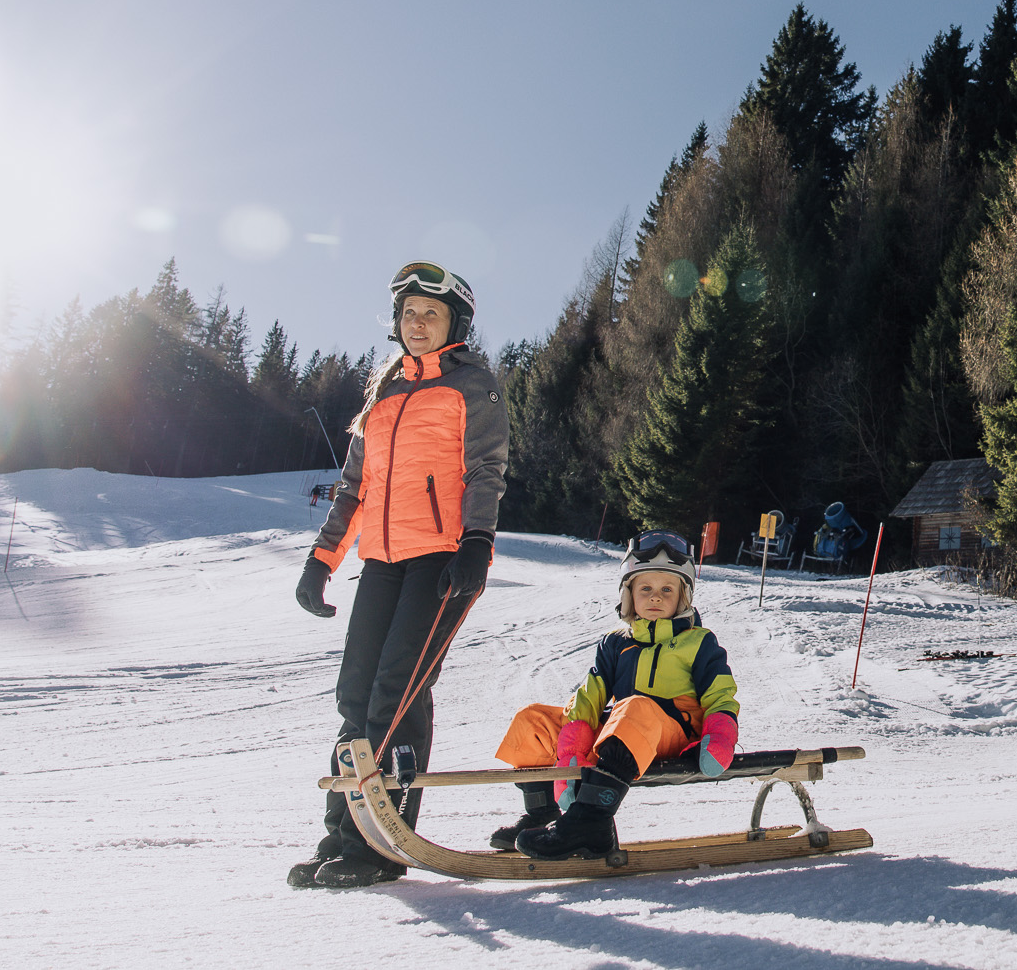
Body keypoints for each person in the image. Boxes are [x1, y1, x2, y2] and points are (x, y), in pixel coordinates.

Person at [286, 261, 509, 888]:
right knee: (354, 695)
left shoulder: (474, 387)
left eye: (430, 314)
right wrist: (321, 561)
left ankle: (383, 846)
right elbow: (354, 488)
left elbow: (486, 471)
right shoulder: (381, 391)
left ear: (455, 323)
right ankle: (343, 835)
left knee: (397, 692)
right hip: (381, 560)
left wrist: (477, 541)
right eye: (409, 313)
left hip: (443, 559)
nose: (417, 324)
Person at [488, 532, 740, 861]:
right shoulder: (615, 642)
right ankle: (544, 814)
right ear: (628, 594)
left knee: (635, 707)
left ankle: (591, 822)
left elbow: (721, 693)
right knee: (534, 719)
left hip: (673, 733)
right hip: (624, 728)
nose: (655, 597)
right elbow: (591, 693)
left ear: (683, 597)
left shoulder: (699, 641)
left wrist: (719, 735)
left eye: (667, 589)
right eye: (645, 588)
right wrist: (574, 739)